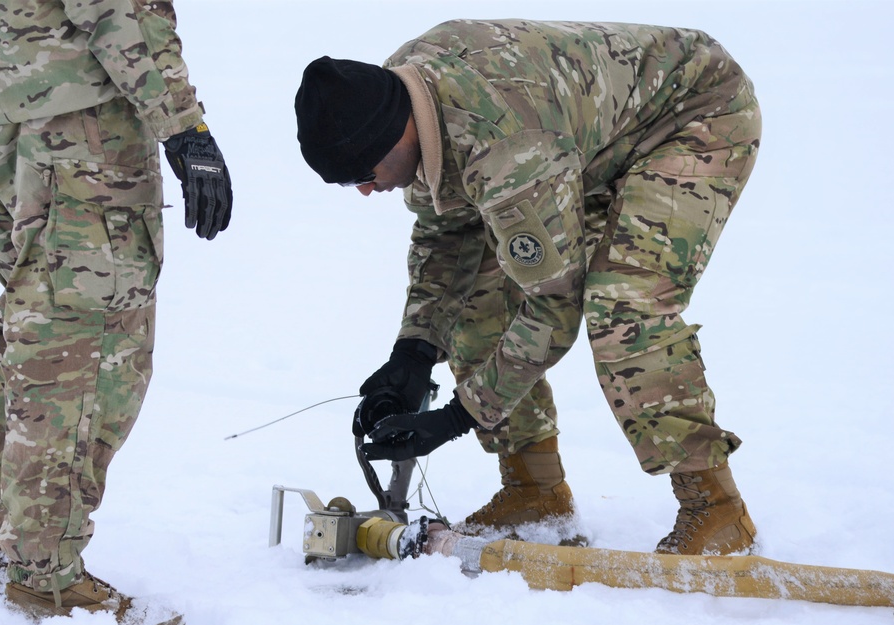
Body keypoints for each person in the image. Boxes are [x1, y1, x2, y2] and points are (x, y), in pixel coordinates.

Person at [295, 20, 760, 556]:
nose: (367, 190)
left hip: (695, 113)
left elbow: (553, 306)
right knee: (479, 294)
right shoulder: (398, 94)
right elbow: (448, 231)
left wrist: (457, 416)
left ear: (390, 134)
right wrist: (414, 350)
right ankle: (535, 490)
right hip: (576, 144)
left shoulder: (506, 150)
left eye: (364, 173)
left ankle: (716, 507)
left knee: (623, 304)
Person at [0, 0, 232, 625]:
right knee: (84, 341)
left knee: (31, 320)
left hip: (10, 112)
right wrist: (184, 127)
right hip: (83, 123)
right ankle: (47, 575)